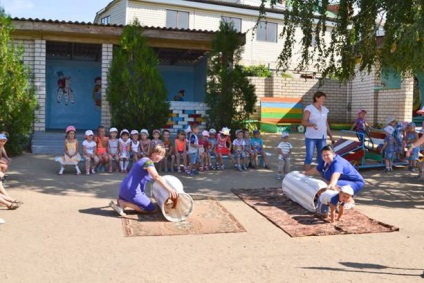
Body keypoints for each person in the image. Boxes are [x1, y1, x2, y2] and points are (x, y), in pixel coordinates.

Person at [109, 144, 179, 216]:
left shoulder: (144, 160)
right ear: (152, 153)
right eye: (158, 154)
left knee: (146, 201)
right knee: (152, 209)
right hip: (131, 191)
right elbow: (156, 177)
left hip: (123, 189)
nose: (160, 157)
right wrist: (170, 189)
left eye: (162, 155)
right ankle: (124, 203)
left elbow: (158, 177)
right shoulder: (148, 162)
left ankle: (123, 200)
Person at [301, 91, 335, 171]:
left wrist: (331, 136)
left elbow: (325, 123)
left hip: (322, 136)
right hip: (311, 136)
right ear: (316, 98)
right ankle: (305, 173)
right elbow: (303, 121)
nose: (324, 100)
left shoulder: (325, 109)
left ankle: (321, 172)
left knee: (322, 156)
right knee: (309, 155)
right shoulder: (309, 108)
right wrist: (311, 124)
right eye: (322, 98)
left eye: (324, 99)